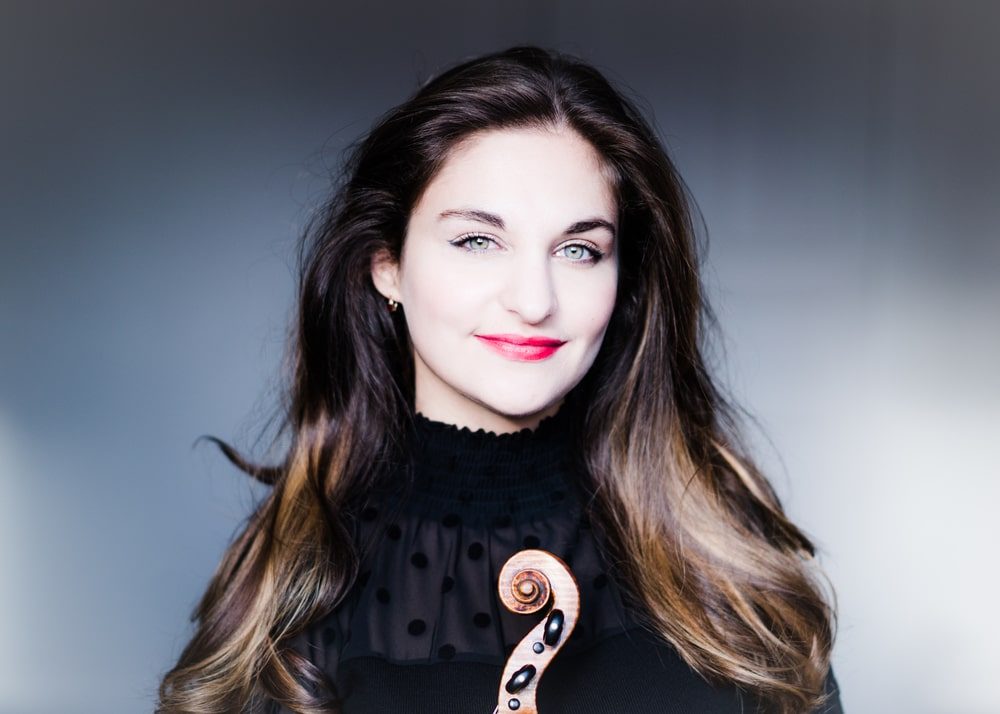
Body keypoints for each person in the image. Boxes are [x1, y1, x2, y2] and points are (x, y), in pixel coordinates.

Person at [158, 45, 844, 713]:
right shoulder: (286, 587)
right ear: (387, 265)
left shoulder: (729, 568)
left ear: (622, 279)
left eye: (579, 249)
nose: (534, 301)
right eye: (478, 240)